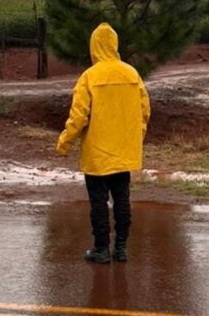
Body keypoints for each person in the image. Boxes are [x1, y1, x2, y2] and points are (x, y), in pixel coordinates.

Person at [56, 23, 151, 264]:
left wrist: (64, 142)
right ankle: (121, 248)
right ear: (115, 44)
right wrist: (135, 138)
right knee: (122, 199)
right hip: (123, 151)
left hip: (97, 154)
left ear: (94, 46)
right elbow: (145, 111)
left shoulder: (89, 77)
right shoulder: (132, 74)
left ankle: (101, 249)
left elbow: (78, 117)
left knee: (98, 201)